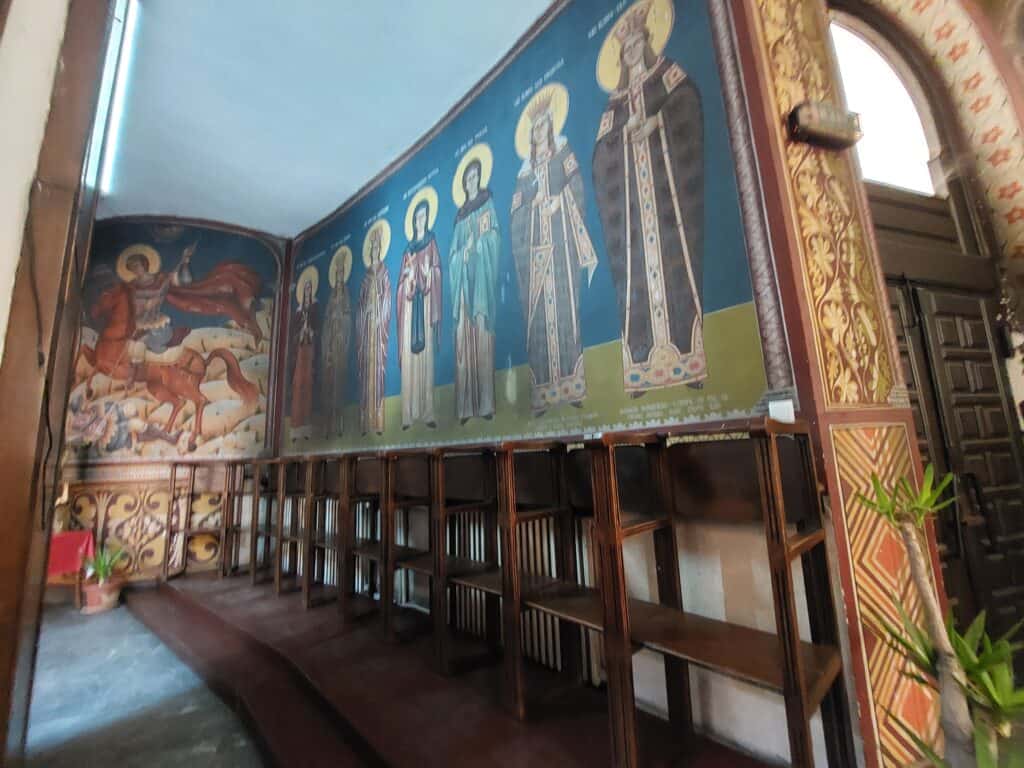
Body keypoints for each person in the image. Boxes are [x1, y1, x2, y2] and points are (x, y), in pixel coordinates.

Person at [592, 1, 707, 395]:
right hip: (633, 215)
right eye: (625, 49)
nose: (632, 51)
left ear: (647, 42)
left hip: (664, 198)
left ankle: (688, 360)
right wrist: (623, 137)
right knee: (635, 278)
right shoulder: (615, 103)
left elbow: (689, 102)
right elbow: (600, 153)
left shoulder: (668, 75)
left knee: (677, 267)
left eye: (636, 43)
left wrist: (659, 121)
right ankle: (640, 369)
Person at [510, 91, 598, 415]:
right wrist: (532, 206)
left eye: (543, 126)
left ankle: (572, 385)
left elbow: (577, 184)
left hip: (561, 247)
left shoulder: (564, 153)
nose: (539, 132)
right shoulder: (524, 172)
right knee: (536, 321)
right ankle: (543, 392)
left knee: (566, 310)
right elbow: (514, 214)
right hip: (535, 255)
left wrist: (561, 201)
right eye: (534, 129)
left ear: (550, 127)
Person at [449, 154, 500, 424]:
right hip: (463, 293)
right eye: (467, 178)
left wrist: (480, 246)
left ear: (479, 178)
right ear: (463, 182)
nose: (471, 181)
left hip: (480, 283)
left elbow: (494, 235)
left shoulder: (487, 204)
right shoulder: (459, 218)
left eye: (475, 176)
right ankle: (466, 406)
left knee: (482, 338)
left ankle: (487, 404)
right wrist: (463, 255)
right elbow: (452, 257)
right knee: (463, 342)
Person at [397, 199, 441, 429]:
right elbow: (401, 285)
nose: (420, 220)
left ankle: (427, 412)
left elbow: (437, 270)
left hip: (424, 305)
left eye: (424, 215)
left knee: (425, 360)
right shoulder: (407, 251)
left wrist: (427, 274)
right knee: (410, 361)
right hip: (410, 308)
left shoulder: (431, 243)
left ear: (428, 217)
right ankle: (407, 414)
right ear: (413, 221)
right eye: (417, 217)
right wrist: (407, 278)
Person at [357, 227, 392, 435]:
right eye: (373, 247)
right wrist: (366, 311)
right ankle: (364, 422)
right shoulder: (365, 278)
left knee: (378, 372)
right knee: (365, 375)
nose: (375, 250)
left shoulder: (385, 273)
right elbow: (359, 306)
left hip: (378, 332)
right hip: (367, 330)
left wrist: (379, 313)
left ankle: (377, 421)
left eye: (378, 247)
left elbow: (388, 297)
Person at [320, 257, 352, 437]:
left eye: (342, 273)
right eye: (337, 273)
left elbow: (348, 316)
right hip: (330, 347)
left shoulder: (345, 293)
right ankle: (327, 424)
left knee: (339, 385)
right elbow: (326, 322)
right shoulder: (331, 296)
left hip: (340, 345)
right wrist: (331, 322)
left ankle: (339, 424)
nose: (339, 275)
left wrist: (341, 320)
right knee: (328, 385)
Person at [289, 277, 317, 433]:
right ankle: (295, 425)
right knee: (298, 385)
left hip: (310, 349)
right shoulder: (299, 311)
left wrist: (312, 332)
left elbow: (317, 328)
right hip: (300, 350)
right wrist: (300, 334)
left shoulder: (313, 309)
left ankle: (305, 424)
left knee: (308, 384)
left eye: (309, 288)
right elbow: (293, 333)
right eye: (305, 288)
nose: (307, 291)